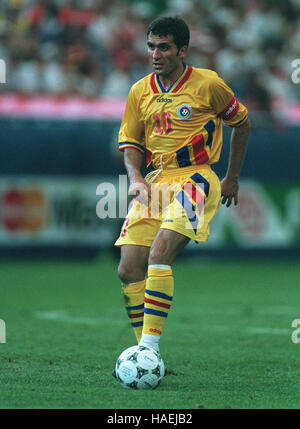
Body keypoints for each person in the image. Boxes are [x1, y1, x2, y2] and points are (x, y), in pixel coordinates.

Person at [114, 16, 250, 356]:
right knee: (128, 269)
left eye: (164, 47)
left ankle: (148, 348)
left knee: (160, 253)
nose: (155, 54)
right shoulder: (139, 91)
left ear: (182, 51)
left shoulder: (208, 84)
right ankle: (147, 355)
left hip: (196, 178)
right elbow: (131, 142)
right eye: (151, 46)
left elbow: (242, 123)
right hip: (154, 184)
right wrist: (135, 177)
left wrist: (231, 177)